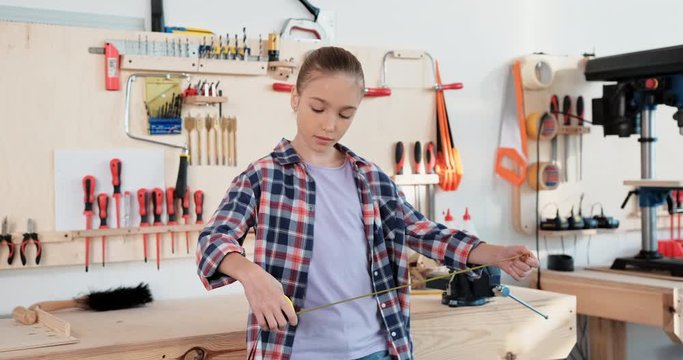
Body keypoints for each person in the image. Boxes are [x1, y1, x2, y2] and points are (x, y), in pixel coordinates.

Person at [196, 46, 539, 360]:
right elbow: (212, 241)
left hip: (375, 349)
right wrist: (252, 276)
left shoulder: (370, 178)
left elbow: (422, 232)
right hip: (294, 352)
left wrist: (495, 253)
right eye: (318, 107)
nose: (330, 124)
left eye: (346, 114)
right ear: (295, 97)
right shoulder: (262, 176)